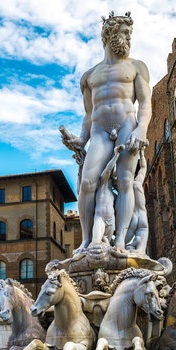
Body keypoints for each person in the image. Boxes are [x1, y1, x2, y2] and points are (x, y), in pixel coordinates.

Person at [63, 12, 151, 251]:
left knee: (125, 181)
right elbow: (89, 115)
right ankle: (86, 241)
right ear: (109, 34)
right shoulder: (89, 76)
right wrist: (80, 139)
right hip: (100, 130)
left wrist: (141, 129)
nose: (128, 38)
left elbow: (145, 103)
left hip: (127, 126)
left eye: (129, 33)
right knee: (88, 182)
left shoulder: (137, 67)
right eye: (124, 32)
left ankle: (121, 241)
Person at [125, 145, 149, 254]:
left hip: (133, 216)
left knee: (121, 245)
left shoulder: (125, 185)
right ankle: (139, 249)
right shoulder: (138, 182)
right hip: (142, 215)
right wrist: (142, 152)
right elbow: (144, 167)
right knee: (141, 251)